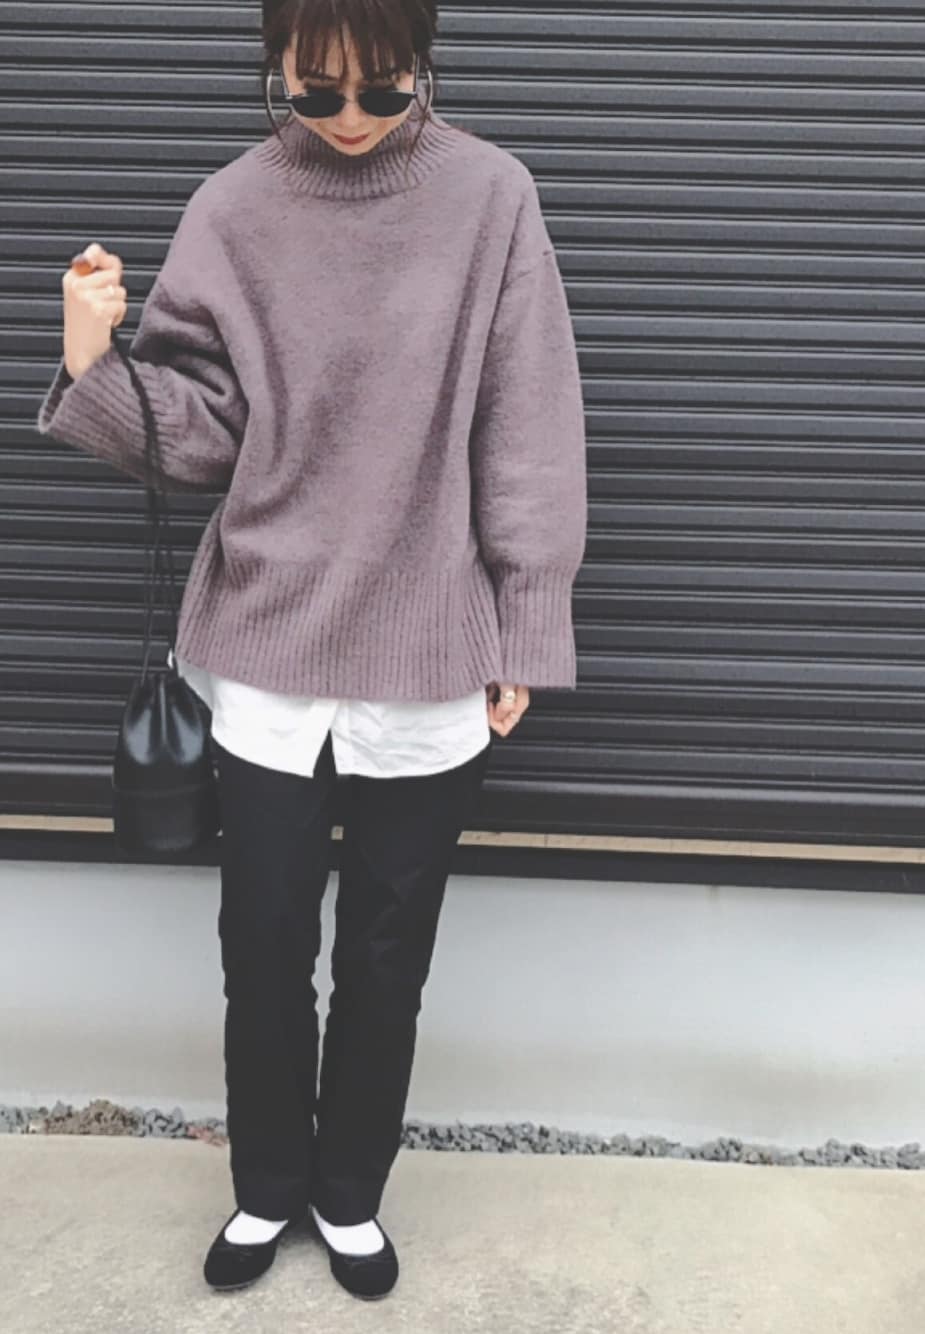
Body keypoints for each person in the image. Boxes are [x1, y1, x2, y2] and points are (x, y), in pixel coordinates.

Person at [35, 0, 588, 1302]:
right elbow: (201, 432)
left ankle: (349, 1196)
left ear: (425, 67)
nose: (348, 117)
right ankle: (268, 1186)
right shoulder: (234, 207)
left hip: (434, 645)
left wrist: (526, 616)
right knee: (265, 945)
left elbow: (527, 425)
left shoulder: (491, 198)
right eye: (316, 89)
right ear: (275, 67)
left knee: (389, 955)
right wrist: (90, 356)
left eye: (383, 90)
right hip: (267, 646)